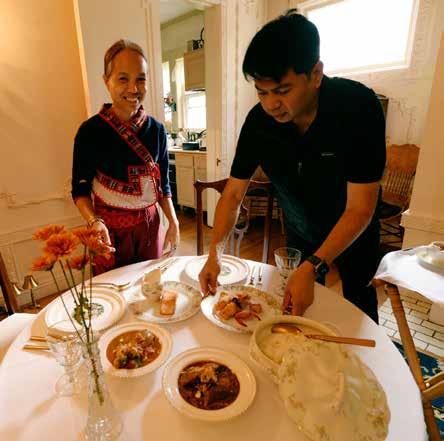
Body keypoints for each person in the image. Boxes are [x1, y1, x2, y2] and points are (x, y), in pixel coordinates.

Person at [198, 10, 385, 323]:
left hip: (354, 234)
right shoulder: (258, 123)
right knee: (296, 317)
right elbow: (232, 195)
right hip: (300, 233)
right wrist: (215, 252)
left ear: (315, 74)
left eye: (282, 91)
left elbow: (361, 208)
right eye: (262, 92)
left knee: (360, 316)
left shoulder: (357, 107)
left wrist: (316, 265)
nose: (271, 104)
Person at [72, 39, 180, 274]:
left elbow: (163, 185)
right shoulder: (90, 132)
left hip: (150, 229)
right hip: (109, 232)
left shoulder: (157, 130)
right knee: (112, 290)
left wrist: (173, 221)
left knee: (149, 285)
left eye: (140, 79)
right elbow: (80, 190)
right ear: (106, 81)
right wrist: (94, 221)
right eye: (123, 79)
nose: (133, 89)